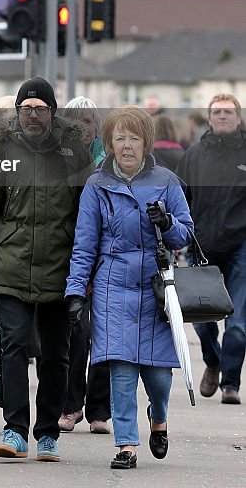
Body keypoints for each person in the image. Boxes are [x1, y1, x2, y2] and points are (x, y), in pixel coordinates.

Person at [0, 77, 93, 462]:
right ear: (17, 113)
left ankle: (48, 433)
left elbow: (90, 216)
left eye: (39, 108)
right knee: (13, 347)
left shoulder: (75, 154)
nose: (32, 115)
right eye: (25, 109)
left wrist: (86, 274)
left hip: (60, 269)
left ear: (52, 112)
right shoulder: (2, 152)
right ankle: (15, 429)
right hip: (11, 266)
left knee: (56, 354)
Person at [66, 106, 194, 469]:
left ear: (146, 143)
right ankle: (126, 445)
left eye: (134, 138)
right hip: (112, 288)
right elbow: (84, 243)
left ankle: (159, 417)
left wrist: (167, 223)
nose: (126, 145)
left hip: (156, 290)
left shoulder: (166, 181)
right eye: (119, 138)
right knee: (121, 371)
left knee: (157, 375)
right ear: (108, 143)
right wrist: (76, 292)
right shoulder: (96, 185)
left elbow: (186, 234)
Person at [179, 93, 246, 404]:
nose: (222, 116)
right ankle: (214, 362)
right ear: (209, 117)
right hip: (201, 248)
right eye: (217, 111)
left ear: (238, 118)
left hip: (240, 248)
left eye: (228, 112)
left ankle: (230, 383)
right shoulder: (193, 156)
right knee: (202, 323)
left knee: (238, 324)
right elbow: (180, 200)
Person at [58, 96, 110, 434]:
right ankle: (71, 404)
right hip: (70, 259)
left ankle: (100, 411)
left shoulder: (110, 164)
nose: (83, 128)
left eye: (88, 121)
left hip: (106, 262)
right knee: (76, 334)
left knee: (104, 336)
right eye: (76, 122)